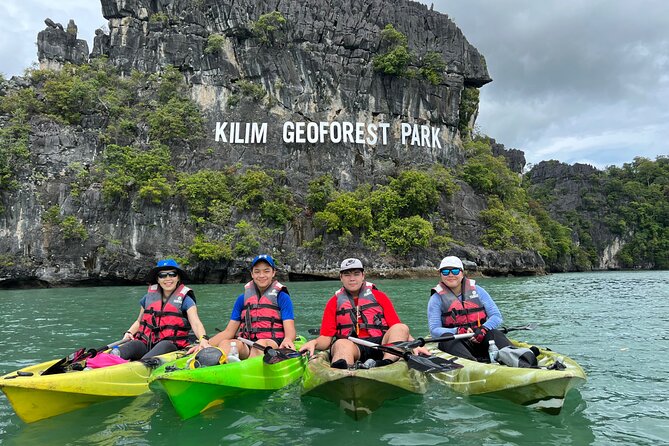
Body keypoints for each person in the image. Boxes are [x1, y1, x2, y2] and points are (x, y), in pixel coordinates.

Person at [300, 258, 429, 369]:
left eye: (356, 274)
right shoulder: (333, 303)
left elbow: (397, 328)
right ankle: (343, 371)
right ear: (341, 277)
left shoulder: (379, 297)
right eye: (347, 275)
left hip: (382, 346)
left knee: (402, 327)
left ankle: (384, 363)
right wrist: (314, 343)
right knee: (340, 344)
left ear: (363, 276)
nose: (352, 279)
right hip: (352, 346)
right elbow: (326, 339)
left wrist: (413, 345)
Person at [118, 259, 210, 360]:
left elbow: (196, 323)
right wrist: (129, 333)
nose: (168, 278)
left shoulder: (186, 300)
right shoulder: (147, 298)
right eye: (162, 275)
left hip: (171, 346)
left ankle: (140, 364)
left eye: (172, 274)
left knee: (163, 345)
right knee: (130, 346)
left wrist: (203, 339)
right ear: (157, 279)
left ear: (178, 277)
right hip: (146, 343)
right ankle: (108, 361)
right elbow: (139, 322)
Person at [209, 254, 296, 359]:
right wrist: (206, 344)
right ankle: (220, 367)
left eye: (266, 271)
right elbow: (229, 332)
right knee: (227, 343)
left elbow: (290, 331)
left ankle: (244, 371)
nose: (261, 275)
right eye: (257, 271)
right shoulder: (242, 299)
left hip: (270, 344)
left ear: (273, 273)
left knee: (260, 344)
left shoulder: (282, 297)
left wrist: (288, 339)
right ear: (252, 274)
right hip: (246, 343)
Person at [427, 255, 512, 361]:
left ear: (462, 273)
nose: (450, 275)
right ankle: (471, 362)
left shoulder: (478, 291)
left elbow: (496, 316)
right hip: (456, 341)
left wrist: (484, 328)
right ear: (440, 274)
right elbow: (434, 330)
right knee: (446, 338)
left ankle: (517, 358)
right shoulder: (436, 298)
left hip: (480, 338)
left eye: (455, 271)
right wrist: (457, 331)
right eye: (445, 272)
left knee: (494, 333)